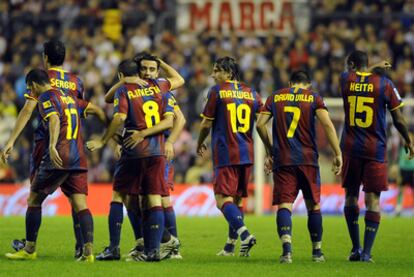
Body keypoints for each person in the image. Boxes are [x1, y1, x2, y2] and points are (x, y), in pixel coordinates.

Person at [0, 39, 105, 259]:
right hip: (76, 147)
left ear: (45, 57)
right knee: (78, 201)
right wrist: (106, 137)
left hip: (48, 148)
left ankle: (29, 247)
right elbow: (85, 109)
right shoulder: (77, 81)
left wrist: (11, 141)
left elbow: (28, 110)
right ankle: (83, 249)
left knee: (34, 198)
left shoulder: (43, 81)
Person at [87, 59, 175, 262]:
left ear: (120, 76)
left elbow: (118, 117)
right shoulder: (159, 86)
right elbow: (176, 86)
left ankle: (114, 248)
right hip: (157, 150)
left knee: (119, 195)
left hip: (134, 149)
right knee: (154, 198)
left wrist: (103, 140)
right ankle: (153, 251)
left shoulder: (124, 90)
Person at [256, 70, 342, 263]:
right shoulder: (313, 97)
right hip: (308, 160)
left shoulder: (275, 97)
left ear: (290, 82)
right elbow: (328, 125)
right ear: (308, 85)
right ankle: (317, 252)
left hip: (283, 159)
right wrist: (337, 153)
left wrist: (270, 150)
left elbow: (260, 125)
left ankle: (287, 251)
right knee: (314, 205)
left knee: (284, 205)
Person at [340, 50, 414, 262]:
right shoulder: (384, 84)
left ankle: (355, 248)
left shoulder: (345, 80)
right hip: (375, 150)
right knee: (372, 200)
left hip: (351, 149)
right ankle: (367, 253)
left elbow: (356, 75)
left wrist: (369, 67)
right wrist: (408, 141)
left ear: (352, 65)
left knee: (351, 196)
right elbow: (398, 119)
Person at [196, 57, 261, 257]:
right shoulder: (252, 93)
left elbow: (206, 124)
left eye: (216, 71)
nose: (212, 75)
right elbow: (263, 118)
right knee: (237, 200)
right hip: (247, 152)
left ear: (229, 73)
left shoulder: (217, 92)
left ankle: (246, 235)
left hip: (226, 152)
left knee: (222, 199)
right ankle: (230, 247)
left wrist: (199, 142)